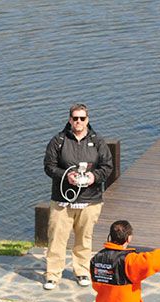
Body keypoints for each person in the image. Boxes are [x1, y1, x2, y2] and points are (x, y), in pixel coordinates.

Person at [43, 103, 113, 291]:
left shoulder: (98, 141)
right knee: (57, 238)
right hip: (62, 200)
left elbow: (107, 167)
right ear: (69, 119)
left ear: (87, 120)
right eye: (75, 118)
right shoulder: (58, 140)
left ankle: (82, 271)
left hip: (90, 200)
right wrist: (67, 175)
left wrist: (93, 177)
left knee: (84, 238)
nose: (78, 122)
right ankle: (52, 274)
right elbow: (49, 167)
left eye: (82, 118)